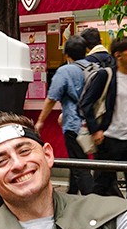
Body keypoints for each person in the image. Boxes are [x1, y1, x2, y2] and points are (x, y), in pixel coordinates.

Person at [81, 37, 127, 198]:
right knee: (102, 184)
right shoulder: (106, 75)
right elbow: (86, 103)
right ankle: (94, 211)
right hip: (109, 139)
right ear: (118, 55)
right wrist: (95, 130)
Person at [35, 35, 93, 194]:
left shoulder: (65, 71)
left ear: (67, 54)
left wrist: (40, 121)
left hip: (74, 124)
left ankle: (90, 200)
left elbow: (51, 98)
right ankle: (71, 194)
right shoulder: (93, 67)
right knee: (78, 162)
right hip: (93, 124)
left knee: (80, 167)